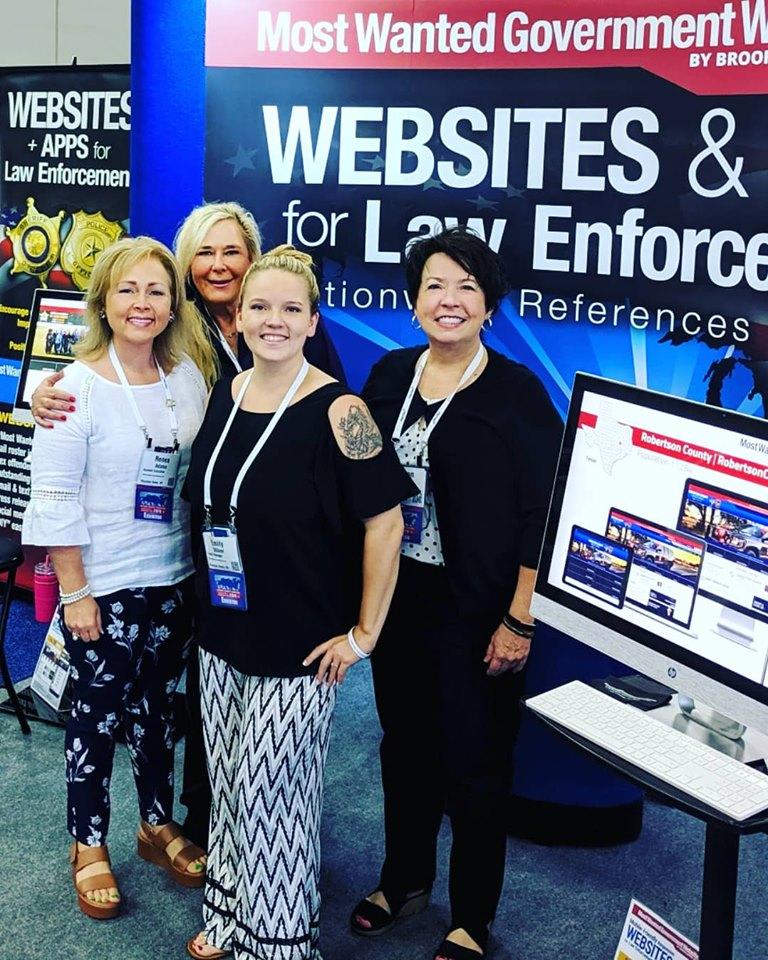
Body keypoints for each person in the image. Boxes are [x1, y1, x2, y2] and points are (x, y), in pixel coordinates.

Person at [30, 200, 346, 847]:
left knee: (183, 703)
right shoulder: (179, 345)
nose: (218, 264)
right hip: (190, 562)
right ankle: (182, 824)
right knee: (179, 698)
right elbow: (64, 478)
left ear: (254, 257)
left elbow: (329, 420)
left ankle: (227, 821)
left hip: (245, 558)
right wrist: (42, 392)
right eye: (204, 252)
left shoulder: (265, 331)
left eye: (232, 250)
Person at [182, 244, 413, 960]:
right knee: (228, 785)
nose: (273, 320)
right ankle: (228, 916)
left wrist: (365, 634)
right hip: (222, 633)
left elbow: (388, 520)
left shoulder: (340, 409)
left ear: (313, 321)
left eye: (290, 308)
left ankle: (281, 943)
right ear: (240, 317)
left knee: (271, 796)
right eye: (260, 307)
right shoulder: (228, 391)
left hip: (302, 646)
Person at [350, 227, 563, 960]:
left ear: (489, 306)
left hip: (479, 611)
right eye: (436, 286)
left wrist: (520, 619)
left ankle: (471, 916)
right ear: (413, 303)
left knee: (475, 764)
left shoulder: (517, 394)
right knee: (403, 747)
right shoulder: (387, 376)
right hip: (396, 600)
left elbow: (543, 513)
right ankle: (404, 880)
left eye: (467, 287)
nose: (450, 301)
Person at [22, 236, 216, 920]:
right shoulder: (72, 390)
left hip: (174, 578)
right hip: (102, 586)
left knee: (160, 714)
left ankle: (156, 825)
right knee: (96, 720)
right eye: (128, 289)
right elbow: (53, 500)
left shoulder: (189, 377)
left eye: (157, 291)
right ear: (103, 298)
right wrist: (74, 592)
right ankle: (89, 843)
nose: (143, 303)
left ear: (173, 304)